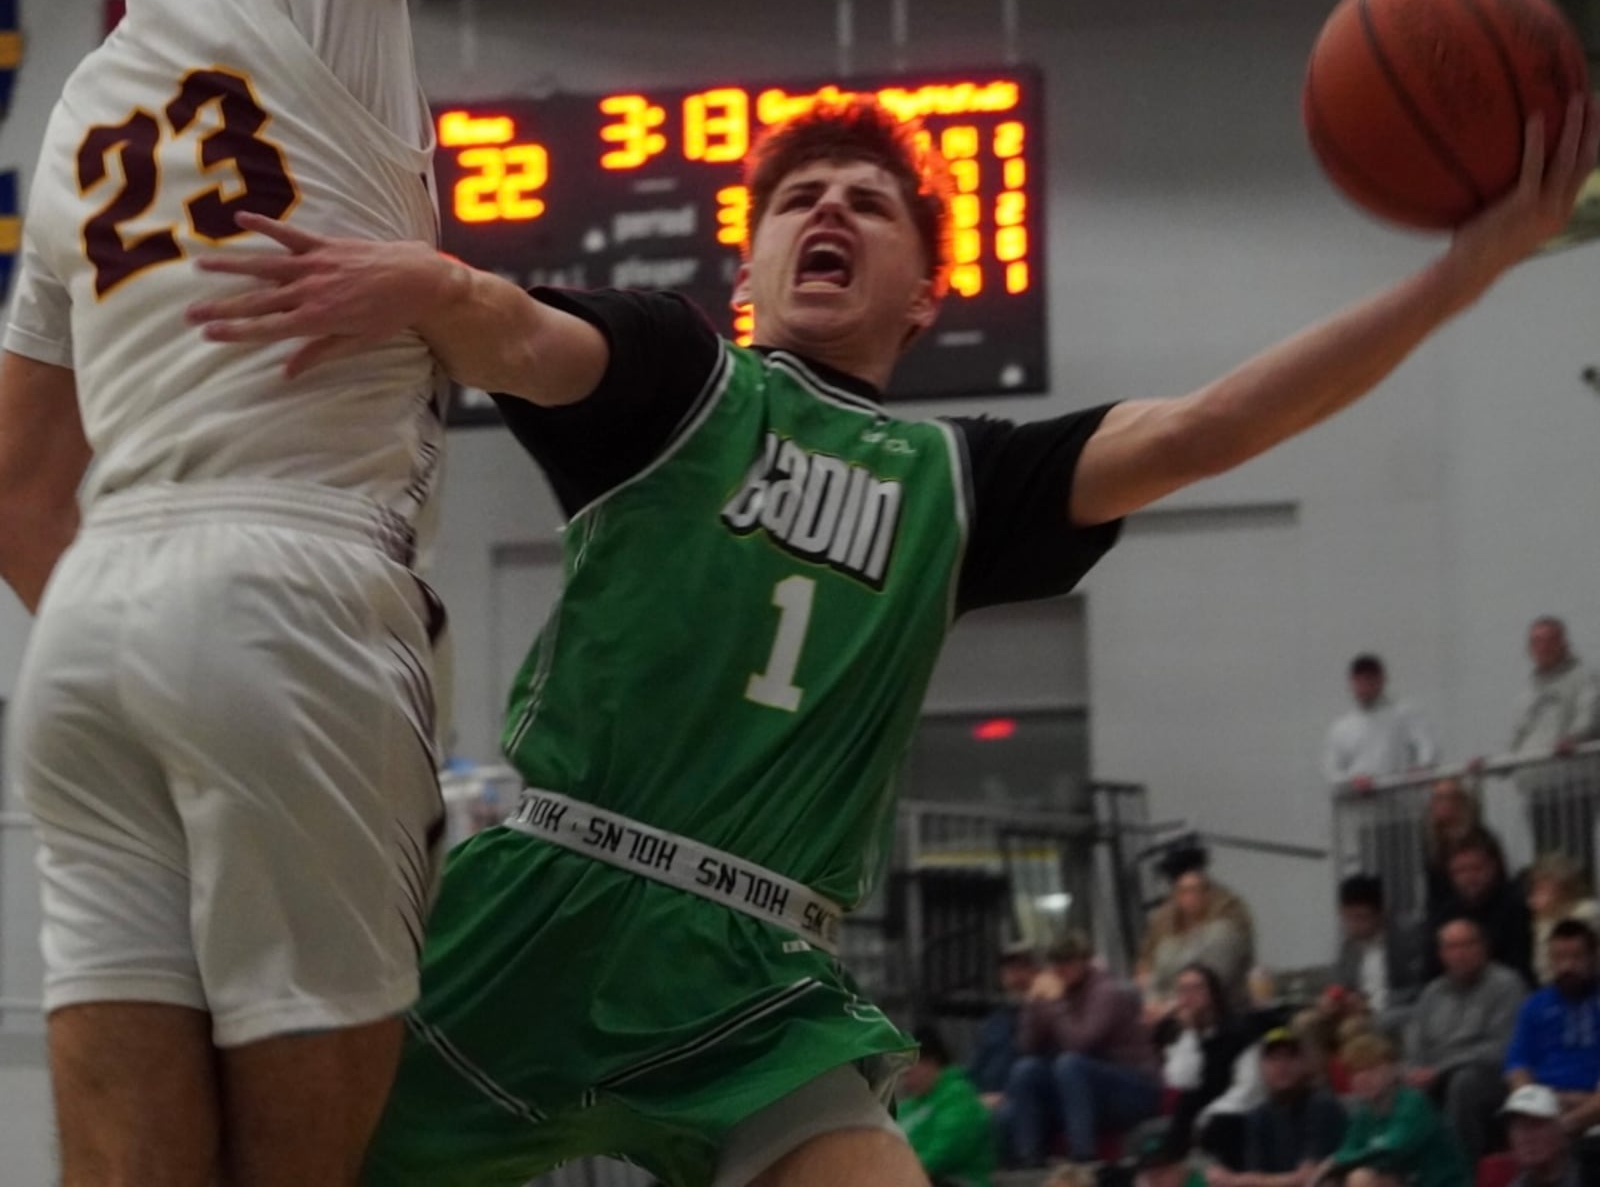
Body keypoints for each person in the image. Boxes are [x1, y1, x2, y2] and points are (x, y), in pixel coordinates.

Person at [187, 87, 1597, 1187]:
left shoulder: (964, 480)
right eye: (799, 195)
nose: (830, 210)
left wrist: (1462, 276)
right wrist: (424, 287)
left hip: (752, 974)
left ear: (927, 290)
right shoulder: (684, 377)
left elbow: (1214, 425)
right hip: (541, 903)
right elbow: (517, 331)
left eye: (869, 201)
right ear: (751, 265)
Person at [0, 0, 512, 1184]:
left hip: (88, 646)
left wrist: (154, 635)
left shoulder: (79, 113)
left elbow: (17, 484)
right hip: (290, 585)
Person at [1008, 933, 1162, 1166]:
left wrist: (1055, 1005)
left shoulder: (1106, 991)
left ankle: (1083, 1157)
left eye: (1069, 962)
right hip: (1084, 1088)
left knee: (1070, 1063)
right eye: (1057, 964)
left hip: (1134, 1085)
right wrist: (1033, 1003)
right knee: (1026, 1070)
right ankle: (1029, 1159)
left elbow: (1080, 1043)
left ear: (1084, 962)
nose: (1062, 970)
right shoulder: (1057, 991)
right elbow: (1025, 1046)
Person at [1403, 919, 1524, 1161]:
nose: (1460, 954)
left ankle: (1459, 1170)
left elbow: (1503, 1047)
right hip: (1433, 1078)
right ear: (1441, 954)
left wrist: (1441, 1069)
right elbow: (1415, 1041)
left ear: (1483, 948)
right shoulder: (1432, 993)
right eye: (1451, 947)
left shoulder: (1506, 985)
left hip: (1490, 1077)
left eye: (1467, 945)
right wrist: (1415, 1071)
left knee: (1464, 1082)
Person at [1327, 656, 1437, 918]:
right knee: (1369, 878)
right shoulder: (1341, 728)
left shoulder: (1404, 713)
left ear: (1381, 680)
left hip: (1402, 814)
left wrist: (1421, 767)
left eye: (1370, 680)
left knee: (1404, 877)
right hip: (1363, 821)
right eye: (1360, 681)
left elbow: (1427, 746)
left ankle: (1407, 925)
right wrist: (1353, 782)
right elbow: (1331, 772)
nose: (1365, 686)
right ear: (1352, 684)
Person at [1511, 619, 1600, 880]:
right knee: (1545, 861)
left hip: (1575, 786)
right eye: (1536, 641)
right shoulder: (1527, 691)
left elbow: (1590, 714)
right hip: (1538, 790)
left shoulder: (1584, 677)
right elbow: (1516, 736)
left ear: (1564, 643)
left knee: (1576, 859)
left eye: (1549, 639)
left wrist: (1574, 737)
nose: (1543, 646)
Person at [1205, 1026, 1348, 1187]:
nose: (1281, 1066)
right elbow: (1257, 1176)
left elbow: (1309, 1177)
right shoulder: (1259, 1115)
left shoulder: (1322, 1106)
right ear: (1262, 1067)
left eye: (1289, 1058)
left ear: (1303, 1063)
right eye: (1273, 1059)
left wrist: (1235, 1180)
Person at [1324, 1032, 1470, 1187]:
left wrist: (1337, 1161)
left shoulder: (1413, 1103)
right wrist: (1333, 1164)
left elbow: (1392, 1148)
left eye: (1372, 1069)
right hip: (1406, 1180)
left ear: (1393, 1070)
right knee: (1330, 1182)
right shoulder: (1364, 1115)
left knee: (1361, 1178)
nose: (1363, 1078)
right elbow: (1346, 1151)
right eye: (1356, 1073)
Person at [1504, 920, 1600, 1134]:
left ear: (1593, 958)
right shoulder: (1535, 1005)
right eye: (1559, 958)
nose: (1567, 966)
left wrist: (1567, 1122)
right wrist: (1534, 1104)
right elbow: (1517, 1065)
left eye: (1576, 957)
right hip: (1544, 1107)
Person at [1160, 964, 1261, 1166]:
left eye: (1196, 988)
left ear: (1213, 993)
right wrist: (1189, 1033)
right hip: (1195, 1109)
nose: (1189, 997)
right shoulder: (1178, 1035)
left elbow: (1249, 1087)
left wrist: (1209, 1115)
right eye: (1183, 990)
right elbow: (1182, 1080)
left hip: (1234, 1110)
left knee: (1220, 1126)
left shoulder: (1239, 1032)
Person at [1139, 846, 1257, 1014]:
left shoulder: (1228, 911)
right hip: (1167, 1012)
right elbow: (1144, 966)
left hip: (1224, 1012)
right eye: (1178, 889)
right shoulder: (1163, 917)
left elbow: (1214, 978)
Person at [897, 1024, 996, 1187]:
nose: (905, 1081)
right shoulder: (907, 1107)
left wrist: (896, 1172)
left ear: (929, 1062)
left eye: (907, 1072)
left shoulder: (960, 1098)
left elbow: (944, 1153)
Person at [1428, 833, 1535, 985]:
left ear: (1493, 867)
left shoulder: (1516, 908)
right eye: (1460, 871)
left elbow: (1519, 967)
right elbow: (1432, 970)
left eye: (1476, 868)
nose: (1469, 878)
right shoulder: (1445, 914)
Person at [969, 943, 1038, 1163]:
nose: (1015, 977)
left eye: (1021, 969)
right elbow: (976, 1066)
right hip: (985, 1096)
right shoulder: (995, 1021)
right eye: (1009, 971)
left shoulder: (1045, 1014)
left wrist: (1005, 1095)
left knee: (1002, 1118)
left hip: (1021, 1097)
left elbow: (1042, 1066)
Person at [1334, 875, 1424, 1026]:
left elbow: (1417, 990)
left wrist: (1373, 1005)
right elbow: (1342, 984)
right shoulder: (1348, 947)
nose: (1354, 925)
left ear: (1380, 915)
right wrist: (1340, 999)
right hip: (1357, 1014)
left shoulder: (1406, 941)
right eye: (1348, 918)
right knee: (1307, 1022)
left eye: (1361, 918)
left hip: (1393, 1013)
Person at [1423, 780, 1505, 913]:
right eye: (1438, 798)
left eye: (1448, 798)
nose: (1442, 804)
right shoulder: (1433, 843)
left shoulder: (1481, 838)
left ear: (1461, 802)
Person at [1528, 855, 1600, 985]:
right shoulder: (1543, 921)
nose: (1534, 897)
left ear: (1564, 890)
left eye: (1542, 889)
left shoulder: (1586, 913)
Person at [1500, 1085, 1581, 1187]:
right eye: (1518, 1128)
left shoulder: (1590, 1175)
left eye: (1536, 1125)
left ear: (1560, 1132)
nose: (1526, 1138)